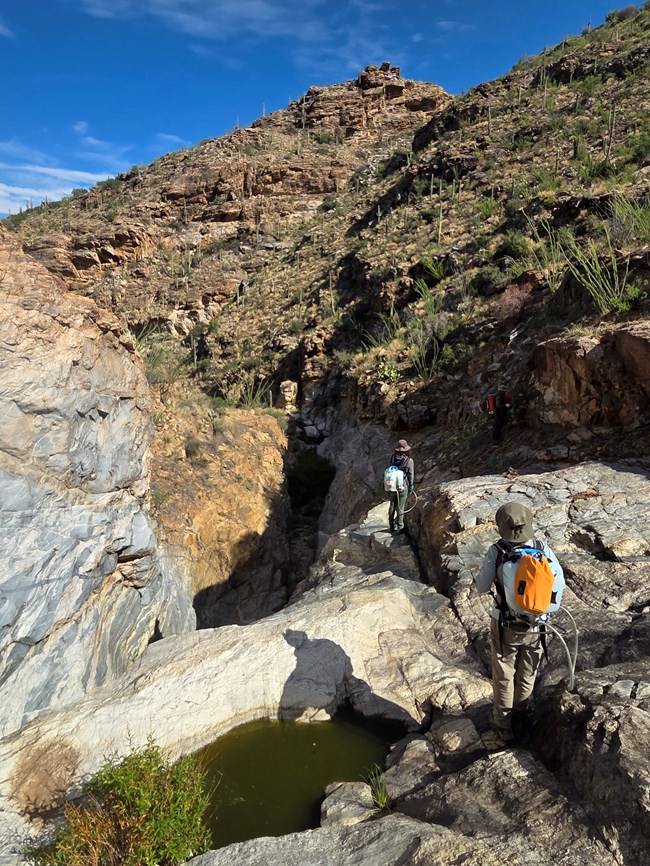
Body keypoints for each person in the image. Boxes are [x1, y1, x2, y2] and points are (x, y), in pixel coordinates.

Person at [474, 501, 563, 746]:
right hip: (537, 623)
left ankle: (503, 726)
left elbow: (481, 587)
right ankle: (522, 714)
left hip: (505, 624)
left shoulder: (498, 550)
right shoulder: (541, 547)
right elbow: (557, 582)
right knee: (527, 672)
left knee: (504, 675)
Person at [388, 439, 414, 533]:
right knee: (400, 507)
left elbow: (389, 469)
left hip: (392, 486)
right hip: (403, 486)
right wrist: (411, 486)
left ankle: (391, 526)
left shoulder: (392, 458)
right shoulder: (409, 461)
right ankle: (400, 527)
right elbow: (411, 475)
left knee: (392, 505)